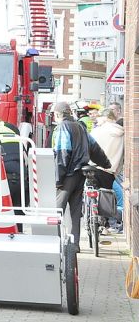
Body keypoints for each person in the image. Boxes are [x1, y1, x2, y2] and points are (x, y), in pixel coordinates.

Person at [51, 102, 110, 251]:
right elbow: (94, 148)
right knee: (76, 210)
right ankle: (75, 244)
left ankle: (54, 241)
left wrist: (59, 178)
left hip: (68, 174)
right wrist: (106, 164)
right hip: (81, 173)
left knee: (58, 208)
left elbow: (63, 153)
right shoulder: (81, 127)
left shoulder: (64, 127)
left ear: (58, 114)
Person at [90, 109, 125, 230]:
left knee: (92, 194)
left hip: (94, 167)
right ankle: (105, 224)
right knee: (106, 196)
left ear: (104, 119)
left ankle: (94, 220)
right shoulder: (121, 133)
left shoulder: (97, 131)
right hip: (110, 171)